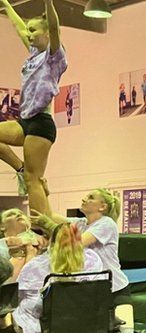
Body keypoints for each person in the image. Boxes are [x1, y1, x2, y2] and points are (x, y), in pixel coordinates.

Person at [33, 188, 134, 333]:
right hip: (91, 293)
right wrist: (43, 191)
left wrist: (48, 225)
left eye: (91, 197)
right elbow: (50, 214)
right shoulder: (80, 223)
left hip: (116, 290)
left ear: (102, 206)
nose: (84, 198)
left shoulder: (107, 224)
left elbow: (75, 243)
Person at [0, 0, 65, 209]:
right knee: (27, 175)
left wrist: (48, 3)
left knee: (33, 180)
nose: (28, 34)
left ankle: (40, 225)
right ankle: (19, 168)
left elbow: (54, 26)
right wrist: (7, 5)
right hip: (24, 121)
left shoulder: (54, 57)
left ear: (46, 34)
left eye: (33, 30)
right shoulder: (33, 56)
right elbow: (19, 27)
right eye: (29, 30)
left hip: (41, 124)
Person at [12, 223, 102, 333]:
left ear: (51, 242)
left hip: (43, 332)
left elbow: (17, 297)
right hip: (83, 327)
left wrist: (30, 255)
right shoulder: (93, 260)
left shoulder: (36, 266)